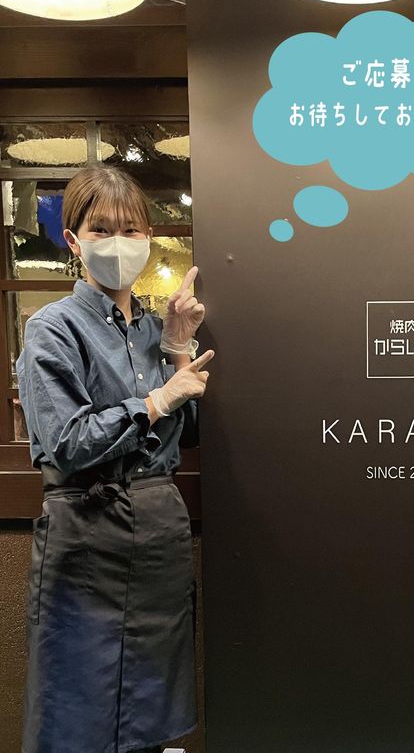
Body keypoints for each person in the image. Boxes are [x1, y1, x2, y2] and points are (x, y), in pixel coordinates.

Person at [16, 164, 214, 753]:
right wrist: (156, 400)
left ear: (148, 239)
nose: (119, 242)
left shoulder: (156, 329)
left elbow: (190, 434)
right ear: (74, 241)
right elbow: (66, 442)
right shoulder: (52, 329)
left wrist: (178, 352)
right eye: (101, 229)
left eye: (131, 230)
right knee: (74, 712)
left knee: (153, 713)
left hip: (158, 535)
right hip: (85, 533)